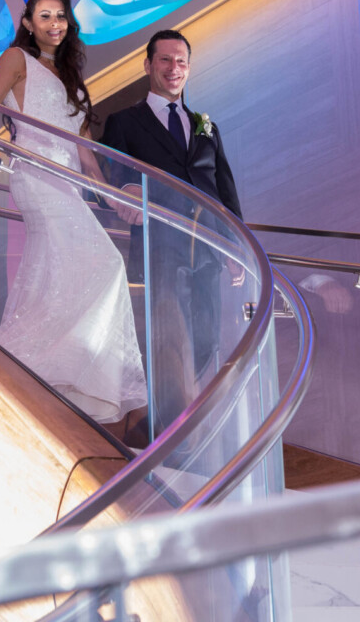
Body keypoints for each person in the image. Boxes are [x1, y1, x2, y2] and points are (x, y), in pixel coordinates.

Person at [0, 0, 147, 434]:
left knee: (62, 276)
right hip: (35, 175)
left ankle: (48, 380)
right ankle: (19, 366)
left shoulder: (73, 82)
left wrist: (113, 198)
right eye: (45, 15)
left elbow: (87, 157)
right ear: (29, 23)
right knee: (107, 264)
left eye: (61, 16)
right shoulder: (17, 58)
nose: (54, 23)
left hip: (67, 182)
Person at [100, 29, 243, 428]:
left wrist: (235, 246)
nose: (173, 68)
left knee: (206, 342)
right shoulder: (124, 122)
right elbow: (111, 171)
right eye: (165, 59)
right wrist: (127, 187)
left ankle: (175, 427)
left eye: (181, 61)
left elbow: (224, 192)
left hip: (208, 251)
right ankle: (172, 438)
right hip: (159, 249)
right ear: (148, 65)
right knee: (168, 345)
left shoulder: (206, 127)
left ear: (189, 68)